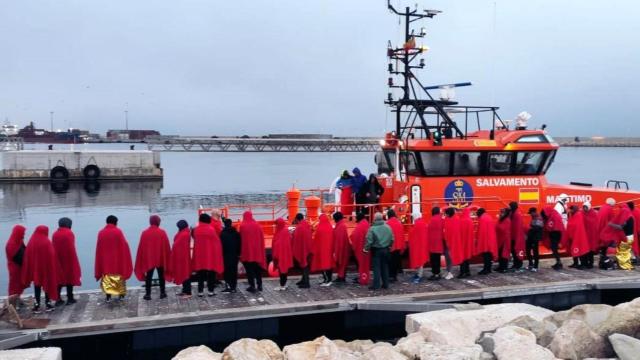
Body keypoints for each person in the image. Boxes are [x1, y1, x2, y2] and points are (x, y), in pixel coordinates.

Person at [22, 225, 60, 313]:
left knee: (37, 286)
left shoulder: (32, 241)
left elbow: (27, 255)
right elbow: (51, 255)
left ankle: (37, 305)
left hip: (35, 269)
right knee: (47, 285)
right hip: (46, 269)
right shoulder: (46, 242)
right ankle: (48, 304)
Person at [95, 215, 133, 302]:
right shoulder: (118, 232)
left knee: (107, 277)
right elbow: (124, 245)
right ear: (115, 222)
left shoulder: (101, 232)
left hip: (105, 261)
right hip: (117, 260)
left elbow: (99, 248)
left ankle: (108, 297)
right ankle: (121, 295)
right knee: (119, 276)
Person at [134, 215, 171, 300]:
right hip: (160, 258)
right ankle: (162, 293)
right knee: (161, 276)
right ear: (158, 222)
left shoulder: (144, 233)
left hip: (149, 258)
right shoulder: (162, 232)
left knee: (148, 277)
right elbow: (166, 247)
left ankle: (148, 294)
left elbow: (141, 247)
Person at [192, 213, 224, 297]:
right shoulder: (211, 229)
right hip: (209, 255)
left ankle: (200, 291)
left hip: (199, 255)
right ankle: (210, 291)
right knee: (211, 274)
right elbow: (216, 242)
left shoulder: (196, 230)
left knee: (200, 274)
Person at [52, 218, 81, 305]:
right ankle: (70, 298)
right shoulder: (69, 233)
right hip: (69, 259)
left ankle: (57, 299)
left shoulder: (55, 234)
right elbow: (71, 248)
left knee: (59, 279)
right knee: (70, 279)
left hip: (57, 260)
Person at [363, 212, 393, 290]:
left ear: (375, 219)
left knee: (377, 268)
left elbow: (369, 241)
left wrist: (365, 249)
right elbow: (392, 239)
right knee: (385, 267)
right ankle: (385, 284)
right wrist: (389, 246)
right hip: (386, 249)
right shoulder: (388, 227)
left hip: (376, 250)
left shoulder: (372, 229)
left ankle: (376, 285)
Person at [239, 211, 267, 293]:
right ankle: (260, 285)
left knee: (249, 270)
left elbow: (241, 240)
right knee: (257, 269)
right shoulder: (257, 225)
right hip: (257, 252)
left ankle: (252, 286)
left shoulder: (243, 226)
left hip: (247, 252)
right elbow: (261, 238)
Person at [605, 203, 635, 270]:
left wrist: (611, 224)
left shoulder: (627, 217)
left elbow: (620, 227)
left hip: (626, 237)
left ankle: (624, 265)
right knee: (625, 253)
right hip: (629, 237)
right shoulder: (630, 216)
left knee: (624, 252)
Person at [170, 220, 193, 298]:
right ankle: (184, 290)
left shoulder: (184, 234)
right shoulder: (184, 232)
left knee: (185, 274)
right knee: (184, 274)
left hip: (183, 258)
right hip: (182, 256)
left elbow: (177, 245)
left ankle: (188, 292)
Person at [5, 225, 27, 302]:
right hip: (15, 267)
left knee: (20, 284)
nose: (24, 234)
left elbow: (24, 250)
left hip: (19, 267)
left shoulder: (18, 240)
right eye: (23, 233)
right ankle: (11, 302)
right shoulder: (11, 244)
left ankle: (17, 298)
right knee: (14, 285)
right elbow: (17, 257)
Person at [312, 214, 334, 286]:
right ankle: (329, 280)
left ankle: (326, 280)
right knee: (329, 265)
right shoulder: (330, 227)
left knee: (323, 266)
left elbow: (316, 239)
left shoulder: (320, 228)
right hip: (329, 250)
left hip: (322, 250)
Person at [291, 213, 313, 288]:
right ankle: (304, 280)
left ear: (297, 219)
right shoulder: (306, 225)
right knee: (305, 264)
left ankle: (306, 282)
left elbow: (296, 238)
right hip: (308, 248)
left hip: (302, 249)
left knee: (304, 265)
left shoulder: (300, 227)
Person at [272, 218, 293, 290]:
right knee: (285, 270)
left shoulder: (280, 232)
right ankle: (283, 284)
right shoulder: (286, 231)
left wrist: (275, 255)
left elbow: (277, 244)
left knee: (281, 270)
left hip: (281, 255)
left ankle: (282, 285)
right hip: (286, 254)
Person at [220, 218, 241, 293]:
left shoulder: (222, 234)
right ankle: (234, 286)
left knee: (227, 271)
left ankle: (228, 286)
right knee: (234, 271)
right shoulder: (236, 233)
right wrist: (239, 254)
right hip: (235, 255)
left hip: (225, 255)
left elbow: (221, 246)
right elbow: (239, 244)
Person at [350, 212, 371, 285]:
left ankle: (363, 278)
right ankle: (363, 277)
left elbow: (354, 236)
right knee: (364, 265)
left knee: (362, 265)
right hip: (366, 248)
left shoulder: (360, 225)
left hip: (361, 248)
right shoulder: (366, 224)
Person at [541, 206, 565, 270]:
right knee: (554, 249)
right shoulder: (552, 216)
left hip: (556, 235)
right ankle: (558, 262)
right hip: (553, 235)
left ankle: (559, 263)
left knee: (554, 249)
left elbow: (557, 227)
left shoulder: (555, 216)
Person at [475, 208, 497, 275]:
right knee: (489, 255)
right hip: (490, 239)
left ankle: (486, 269)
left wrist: (478, 240)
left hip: (485, 241)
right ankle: (488, 269)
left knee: (486, 256)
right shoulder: (488, 217)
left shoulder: (482, 218)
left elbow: (481, 232)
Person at [408, 212, 429, 283]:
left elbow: (412, 233)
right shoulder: (422, 223)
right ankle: (418, 274)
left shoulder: (417, 224)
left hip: (418, 245)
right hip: (422, 244)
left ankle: (419, 275)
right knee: (420, 260)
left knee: (419, 260)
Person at [443, 207, 463, 279]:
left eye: (446, 213)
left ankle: (450, 272)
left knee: (450, 256)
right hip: (447, 240)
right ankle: (448, 271)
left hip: (452, 241)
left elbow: (455, 232)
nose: (445, 215)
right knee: (447, 257)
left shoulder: (456, 219)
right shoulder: (448, 219)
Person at [597, 198, 616, 269]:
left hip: (600, 229)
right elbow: (613, 220)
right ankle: (603, 262)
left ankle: (602, 262)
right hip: (606, 231)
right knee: (605, 248)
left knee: (602, 248)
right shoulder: (610, 209)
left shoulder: (602, 207)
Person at [386, 209, 405, 282]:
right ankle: (394, 276)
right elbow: (402, 235)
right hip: (398, 245)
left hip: (391, 246)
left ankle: (390, 276)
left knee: (390, 262)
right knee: (396, 261)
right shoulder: (399, 223)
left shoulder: (387, 223)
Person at [332, 212, 351, 283]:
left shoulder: (341, 226)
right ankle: (341, 276)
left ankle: (341, 277)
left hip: (341, 249)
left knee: (342, 263)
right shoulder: (341, 225)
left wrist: (336, 252)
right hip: (343, 248)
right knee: (342, 264)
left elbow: (339, 240)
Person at [426, 207, 444, 280]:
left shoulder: (432, 220)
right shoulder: (441, 219)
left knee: (433, 260)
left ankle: (435, 274)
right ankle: (438, 273)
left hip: (432, 243)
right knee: (437, 259)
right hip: (439, 242)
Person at [457, 208, 474, 278]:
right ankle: (467, 271)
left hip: (462, 241)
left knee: (462, 257)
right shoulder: (470, 221)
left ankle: (462, 272)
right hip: (468, 242)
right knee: (467, 257)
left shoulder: (461, 220)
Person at [509, 202, 526, 272]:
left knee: (517, 250)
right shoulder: (513, 213)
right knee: (513, 250)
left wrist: (517, 237)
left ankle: (518, 264)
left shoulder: (517, 214)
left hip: (517, 236)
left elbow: (518, 227)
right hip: (513, 236)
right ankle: (516, 263)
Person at [526, 208, 544, 272]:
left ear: (534, 212)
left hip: (535, 238)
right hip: (531, 237)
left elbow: (536, 229)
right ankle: (531, 263)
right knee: (528, 250)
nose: (530, 215)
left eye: (531, 213)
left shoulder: (539, 218)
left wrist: (529, 230)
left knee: (535, 252)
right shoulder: (533, 218)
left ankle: (535, 266)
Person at [582, 202, 599, 269]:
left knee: (590, 251)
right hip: (585, 235)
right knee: (585, 250)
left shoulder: (593, 214)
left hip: (591, 235)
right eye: (584, 207)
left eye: (585, 207)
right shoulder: (582, 213)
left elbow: (594, 224)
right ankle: (585, 263)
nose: (584, 208)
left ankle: (590, 263)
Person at [495, 208, 512, 273]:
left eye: (502, 212)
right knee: (500, 254)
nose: (501, 213)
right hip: (500, 239)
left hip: (504, 240)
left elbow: (503, 229)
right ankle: (500, 266)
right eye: (501, 212)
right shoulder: (501, 219)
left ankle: (504, 267)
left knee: (504, 255)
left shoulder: (507, 220)